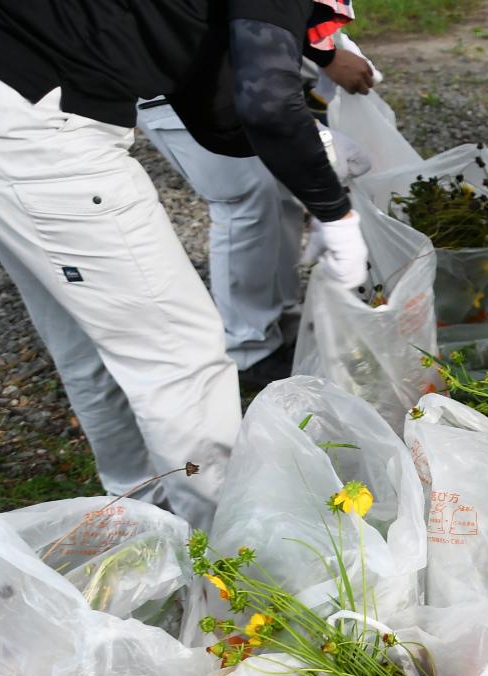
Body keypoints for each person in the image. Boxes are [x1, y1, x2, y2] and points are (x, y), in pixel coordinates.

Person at [0, 0, 371, 526]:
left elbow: (206, 86)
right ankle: (238, 561)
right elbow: (262, 95)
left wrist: (312, 144)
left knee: (92, 335)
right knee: (179, 352)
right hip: (24, 106)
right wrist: (335, 214)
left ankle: (142, 524)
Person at [136, 13, 380, 393]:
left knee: (278, 190)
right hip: (183, 80)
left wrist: (326, 52)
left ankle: (280, 317)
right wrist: (336, 215)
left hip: (232, 66)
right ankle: (249, 349)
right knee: (243, 200)